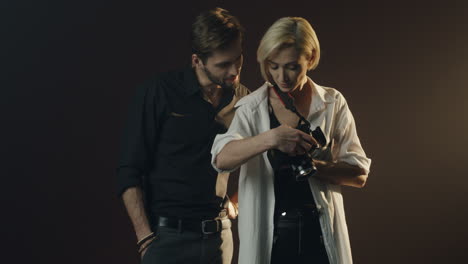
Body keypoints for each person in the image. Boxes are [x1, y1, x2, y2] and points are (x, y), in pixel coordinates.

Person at [211, 17, 371, 264]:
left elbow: (359, 174)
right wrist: (271, 138)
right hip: (271, 241)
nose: (281, 76)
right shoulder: (252, 108)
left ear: (311, 58)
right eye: (273, 66)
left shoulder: (332, 103)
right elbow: (221, 159)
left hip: (319, 238)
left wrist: (314, 167)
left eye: (292, 66)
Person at [116, 8, 248, 264]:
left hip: (219, 240)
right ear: (197, 61)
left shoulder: (245, 99)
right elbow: (128, 169)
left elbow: (263, 161)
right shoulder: (158, 92)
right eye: (223, 65)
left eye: (238, 59)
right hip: (166, 239)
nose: (234, 70)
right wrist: (144, 237)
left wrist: (236, 202)